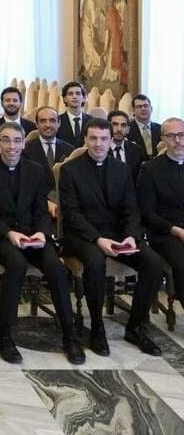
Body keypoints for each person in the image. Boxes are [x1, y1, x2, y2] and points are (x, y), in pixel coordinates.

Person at [0, 122, 84, 365]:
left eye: (16, 140)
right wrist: (9, 234)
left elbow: (41, 210)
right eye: (5, 140)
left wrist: (43, 233)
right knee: (16, 264)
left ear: (23, 143)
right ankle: (5, 336)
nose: (11, 146)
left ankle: (69, 335)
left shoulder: (35, 170)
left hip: (33, 235)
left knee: (56, 267)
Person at [59, 117, 164, 357]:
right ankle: (96, 328)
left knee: (153, 264)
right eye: (93, 138)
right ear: (85, 140)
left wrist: (130, 236)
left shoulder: (122, 169)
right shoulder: (70, 170)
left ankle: (136, 326)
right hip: (82, 236)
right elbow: (71, 214)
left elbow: (131, 209)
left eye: (104, 139)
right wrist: (98, 239)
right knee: (95, 262)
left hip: (118, 235)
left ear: (111, 140)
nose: (99, 144)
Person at [138, 118, 184, 312]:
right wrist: (177, 231)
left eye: (181, 135)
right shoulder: (150, 169)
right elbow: (147, 212)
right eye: (171, 136)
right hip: (165, 231)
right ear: (162, 139)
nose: (177, 141)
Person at [22, 106, 74, 193]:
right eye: (43, 121)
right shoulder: (25, 150)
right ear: (36, 124)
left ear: (59, 123)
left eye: (52, 120)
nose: (48, 125)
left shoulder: (70, 150)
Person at [107, 110, 144, 183]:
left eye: (123, 125)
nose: (119, 129)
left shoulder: (137, 150)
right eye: (115, 124)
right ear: (107, 127)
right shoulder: (101, 149)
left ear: (128, 129)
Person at [57, 81, 91, 147]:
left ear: (84, 98)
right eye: (70, 94)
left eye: (78, 93)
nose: (74, 96)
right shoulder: (58, 121)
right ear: (65, 99)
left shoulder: (91, 121)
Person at [128, 94, 161, 160]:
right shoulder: (127, 129)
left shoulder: (160, 128)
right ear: (133, 111)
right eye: (139, 107)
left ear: (151, 109)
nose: (143, 109)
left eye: (146, 106)